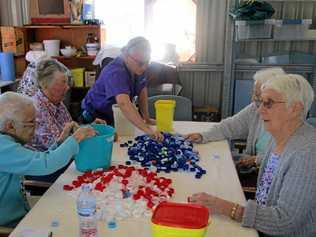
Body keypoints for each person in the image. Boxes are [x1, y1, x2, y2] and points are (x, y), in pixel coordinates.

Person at [189, 74, 316, 236]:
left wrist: (228, 208)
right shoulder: (280, 137)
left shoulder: (307, 154)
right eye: (261, 102)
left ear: (295, 109)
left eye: (268, 103)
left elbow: (284, 221)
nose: (259, 110)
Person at [0, 92, 96, 227]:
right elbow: (44, 164)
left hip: (22, 214)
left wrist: (61, 142)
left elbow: (37, 158)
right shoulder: (2, 147)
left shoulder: (6, 140)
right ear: (10, 126)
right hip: (9, 225)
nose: (35, 128)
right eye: (31, 123)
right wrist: (76, 138)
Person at [186, 67, 285, 165]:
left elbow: (286, 159)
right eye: (254, 93)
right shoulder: (255, 108)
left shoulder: (289, 121)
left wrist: (257, 160)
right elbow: (230, 126)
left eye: (258, 95)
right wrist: (203, 136)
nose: (253, 98)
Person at [80, 36, 163, 141]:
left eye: (148, 62)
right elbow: (124, 103)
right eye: (141, 63)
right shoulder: (116, 71)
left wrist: (146, 118)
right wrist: (148, 130)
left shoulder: (138, 66)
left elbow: (142, 90)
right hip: (94, 117)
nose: (145, 67)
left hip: (112, 116)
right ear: (127, 56)